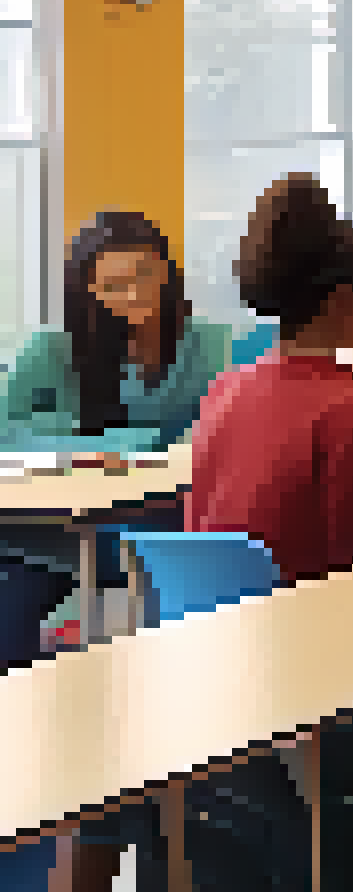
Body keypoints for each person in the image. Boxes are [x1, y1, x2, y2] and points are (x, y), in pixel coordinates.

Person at [65, 175, 353, 892]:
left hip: (210, 681)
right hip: (298, 687)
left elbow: (203, 528)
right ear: (340, 301)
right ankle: (317, 846)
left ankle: (286, 833)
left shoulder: (225, 388)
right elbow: (350, 582)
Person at [0, 212, 232, 668]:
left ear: (166, 271)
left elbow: (214, 433)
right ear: (83, 291)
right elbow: (6, 433)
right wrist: (85, 445)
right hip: (46, 535)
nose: (131, 294)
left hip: (164, 522)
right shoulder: (50, 350)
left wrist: (119, 443)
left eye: (142, 275)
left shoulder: (209, 344)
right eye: (110, 285)